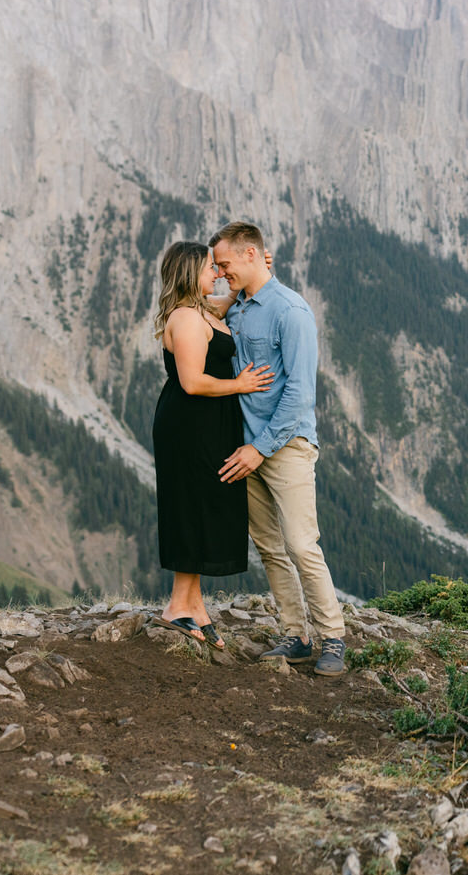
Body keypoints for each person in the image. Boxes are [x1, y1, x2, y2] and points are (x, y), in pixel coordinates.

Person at [210, 221, 348, 677]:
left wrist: (259, 449)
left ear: (251, 255)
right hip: (245, 446)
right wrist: (235, 288)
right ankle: (296, 635)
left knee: (300, 544)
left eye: (225, 264)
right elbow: (197, 309)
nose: (219, 271)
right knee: (268, 546)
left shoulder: (292, 311)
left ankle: (333, 638)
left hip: (284, 445)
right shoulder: (238, 309)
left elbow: (299, 395)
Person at [151, 241, 274, 648]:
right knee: (193, 506)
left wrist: (251, 276)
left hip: (209, 422)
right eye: (210, 267)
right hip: (190, 425)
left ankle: (191, 605)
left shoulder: (203, 309)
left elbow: (226, 304)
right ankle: (178, 607)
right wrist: (239, 384)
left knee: (201, 505)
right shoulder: (186, 318)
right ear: (190, 272)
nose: (217, 273)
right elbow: (192, 381)